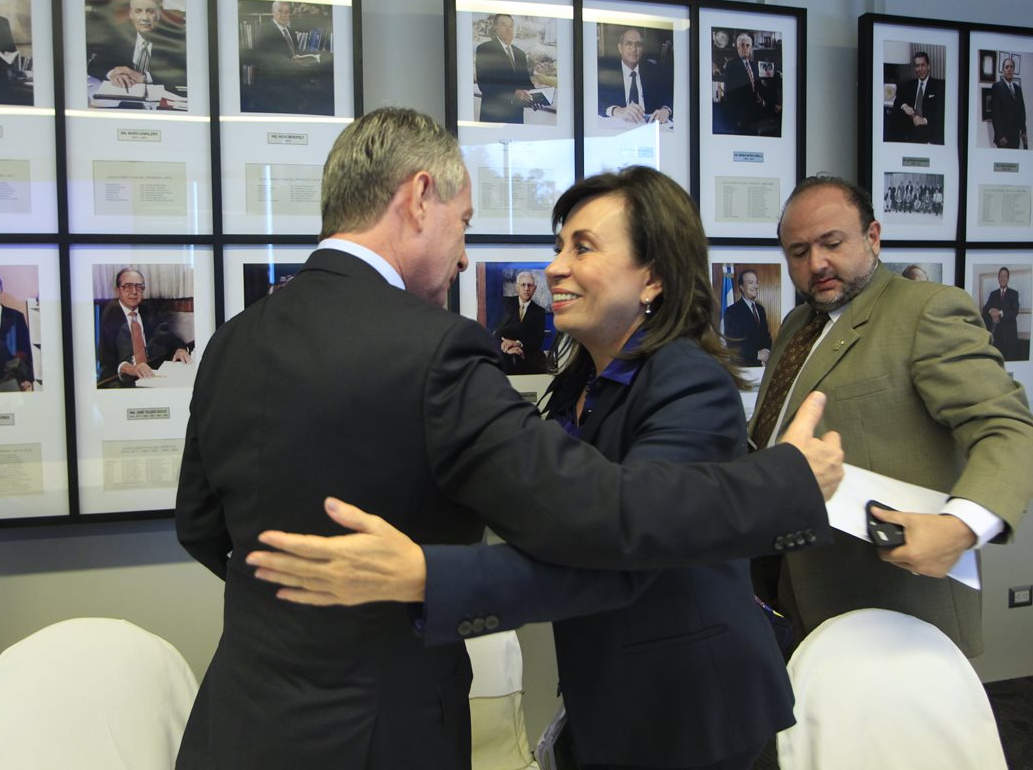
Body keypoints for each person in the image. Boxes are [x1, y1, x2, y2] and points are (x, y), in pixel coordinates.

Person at [173, 107, 841, 769]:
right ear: (419, 198)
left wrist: (394, 582)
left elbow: (203, 528)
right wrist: (785, 481)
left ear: (653, 278)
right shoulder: (440, 349)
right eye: (464, 225)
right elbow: (602, 516)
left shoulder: (232, 340)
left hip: (241, 720)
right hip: (383, 729)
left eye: (582, 247)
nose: (467, 257)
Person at [749, 176, 1033, 657]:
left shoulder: (926, 311)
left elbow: (1007, 429)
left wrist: (960, 526)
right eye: (798, 252)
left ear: (873, 237)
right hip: (794, 599)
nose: (816, 263)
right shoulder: (797, 324)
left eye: (832, 243)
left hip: (897, 613)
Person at [96, 268, 191, 388]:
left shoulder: (148, 311)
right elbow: (105, 364)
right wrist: (129, 368)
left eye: (139, 287)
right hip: (122, 383)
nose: (134, 292)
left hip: (152, 376)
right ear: (117, 291)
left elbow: (170, 338)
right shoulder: (106, 317)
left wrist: (180, 349)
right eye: (128, 286)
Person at [87, 0, 186, 97]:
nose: (144, 17)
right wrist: (114, 73)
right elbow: (94, 65)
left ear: (158, 15)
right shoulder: (119, 39)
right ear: (131, 15)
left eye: (150, 11)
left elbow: (183, 77)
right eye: (138, 11)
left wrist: (143, 77)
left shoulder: (175, 41)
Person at [244, 1, 333, 116]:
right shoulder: (265, 30)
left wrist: (308, 56)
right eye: (280, 11)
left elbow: (295, 52)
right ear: (273, 13)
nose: (283, 15)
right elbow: (266, 57)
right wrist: (290, 61)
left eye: (286, 12)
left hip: (291, 83)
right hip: (273, 87)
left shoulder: (290, 31)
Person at [597, 27, 672, 126]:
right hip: (619, 129)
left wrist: (666, 110)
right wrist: (617, 111)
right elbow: (595, 100)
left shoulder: (653, 71)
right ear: (620, 48)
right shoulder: (609, 72)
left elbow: (668, 96)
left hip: (647, 128)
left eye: (638, 45)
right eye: (628, 44)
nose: (634, 49)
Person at [475, 14, 536, 124]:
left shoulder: (520, 54)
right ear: (495, 28)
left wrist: (536, 96)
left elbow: (526, 82)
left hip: (516, 117)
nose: (508, 29)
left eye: (511, 26)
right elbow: (485, 85)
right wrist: (514, 92)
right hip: (493, 116)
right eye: (504, 25)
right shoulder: (485, 49)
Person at [718, 33, 780, 137]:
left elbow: (760, 87)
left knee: (776, 116)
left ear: (750, 48)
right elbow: (731, 93)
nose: (745, 48)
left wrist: (772, 103)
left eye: (748, 45)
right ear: (737, 47)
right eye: (742, 45)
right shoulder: (731, 65)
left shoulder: (754, 66)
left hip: (753, 107)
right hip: (740, 111)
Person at [494, 270, 548, 374]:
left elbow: (538, 340)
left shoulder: (539, 311)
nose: (526, 288)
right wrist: (507, 349)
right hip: (504, 359)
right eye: (523, 285)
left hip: (527, 360)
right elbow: (494, 331)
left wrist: (517, 343)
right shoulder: (504, 303)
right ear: (517, 287)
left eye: (530, 285)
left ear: (535, 288)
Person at [888, 51, 944, 145]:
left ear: (928, 66)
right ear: (915, 68)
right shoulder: (909, 84)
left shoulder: (939, 85)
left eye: (923, 65)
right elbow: (897, 100)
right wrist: (905, 106)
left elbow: (942, 111)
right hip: (910, 127)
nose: (920, 69)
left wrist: (924, 121)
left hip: (928, 127)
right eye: (917, 66)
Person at [724, 268, 772, 367]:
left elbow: (766, 337)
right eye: (750, 282)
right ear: (741, 287)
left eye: (756, 282)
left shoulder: (761, 309)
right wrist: (757, 355)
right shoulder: (732, 311)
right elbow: (733, 345)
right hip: (744, 368)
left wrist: (766, 353)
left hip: (763, 366)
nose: (755, 286)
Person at [982, 266, 1022, 361]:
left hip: (1009, 336)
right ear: (998, 278)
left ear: (1008, 279)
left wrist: (999, 313)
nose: (1002, 278)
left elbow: (1014, 311)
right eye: (1001, 276)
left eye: (1005, 276)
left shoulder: (1014, 293)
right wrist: (991, 311)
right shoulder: (993, 294)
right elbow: (985, 309)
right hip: (996, 336)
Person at [990, 56, 1027, 149]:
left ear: (1014, 70)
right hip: (1003, 138)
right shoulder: (997, 87)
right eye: (1007, 67)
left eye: (1011, 67)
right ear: (1003, 70)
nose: (1009, 69)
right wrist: (1000, 135)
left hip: (1015, 137)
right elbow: (995, 114)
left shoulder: (1018, 89)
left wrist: (1023, 131)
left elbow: (1022, 112)